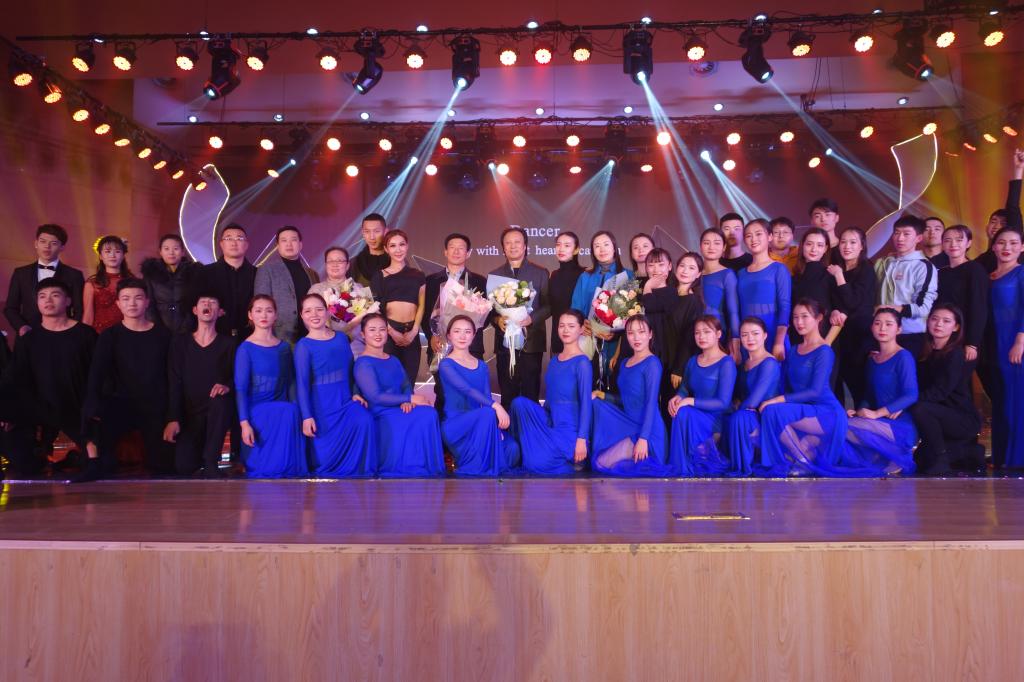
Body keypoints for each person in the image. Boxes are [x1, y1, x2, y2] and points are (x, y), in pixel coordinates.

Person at [0, 279, 96, 477]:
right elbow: (14, 377)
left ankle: (77, 456)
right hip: (39, 406)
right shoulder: (28, 339)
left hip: (77, 407)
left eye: (55, 295)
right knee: (24, 461)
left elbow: (98, 375)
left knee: (99, 462)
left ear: (68, 301)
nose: (48, 300)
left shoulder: (86, 335)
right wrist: (8, 412)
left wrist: (95, 407)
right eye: (42, 296)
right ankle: (39, 456)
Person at [80, 278, 172, 480]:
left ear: (147, 302)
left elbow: (172, 377)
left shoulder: (163, 335)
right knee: (106, 465)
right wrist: (93, 405)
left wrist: (172, 415)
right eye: (126, 299)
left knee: (164, 466)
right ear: (118, 304)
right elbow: (97, 374)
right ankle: (93, 462)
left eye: (138, 298)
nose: (132, 303)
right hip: (120, 403)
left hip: (155, 406)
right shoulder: (109, 336)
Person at [758, 299, 848, 476]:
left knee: (772, 411)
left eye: (805, 316)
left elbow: (815, 391)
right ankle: (802, 455)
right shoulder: (793, 350)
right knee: (770, 411)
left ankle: (801, 459)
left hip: (826, 412)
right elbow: (788, 385)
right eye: (795, 317)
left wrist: (777, 400)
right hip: (804, 408)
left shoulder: (824, 351)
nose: (799, 322)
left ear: (819, 318)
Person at [294, 293, 376, 477]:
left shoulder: (341, 338)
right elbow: (302, 384)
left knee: (364, 419)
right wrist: (307, 416)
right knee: (324, 460)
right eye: (308, 311)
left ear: (327, 312)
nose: (314, 314)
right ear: (302, 315)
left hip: (345, 400)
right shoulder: (303, 346)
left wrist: (355, 392)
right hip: (321, 406)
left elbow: (351, 370)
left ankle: (362, 472)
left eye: (319, 309)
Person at [353, 313, 444, 477]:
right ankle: (408, 467)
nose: (378, 334)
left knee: (429, 413)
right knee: (424, 415)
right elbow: (375, 397)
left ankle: (425, 467)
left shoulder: (393, 359)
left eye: (382, 329)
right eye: (372, 330)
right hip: (381, 411)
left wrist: (407, 399)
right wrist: (408, 398)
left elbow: (405, 385)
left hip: (400, 406)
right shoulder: (363, 363)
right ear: (363, 334)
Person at [511, 310, 593, 475]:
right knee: (519, 404)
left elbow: (586, 404)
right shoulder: (555, 361)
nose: (565, 330)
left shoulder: (582, 363)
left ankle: (569, 458)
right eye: (562, 326)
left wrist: (582, 440)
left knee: (535, 464)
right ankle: (522, 449)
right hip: (550, 421)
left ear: (581, 329)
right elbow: (549, 400)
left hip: (569, 430)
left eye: (571, 326)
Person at [234, 295, 307, 478]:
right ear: (250, 315)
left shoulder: (284, 348)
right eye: (258, 311)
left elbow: (291, 382)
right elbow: (241, 389)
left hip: (282, 407)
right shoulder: (245, 348)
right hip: (257, 410)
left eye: (269, 310)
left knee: (291, 411)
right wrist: (244, 423)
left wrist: (298, 409)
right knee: (286, 411)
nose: (264, 315)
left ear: (275, 315)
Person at [164, 293, 235, 477]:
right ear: (195, 310)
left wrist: (227, 386)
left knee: (222, 402)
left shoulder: (228, 344)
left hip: (215, 411)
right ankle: (199, 457)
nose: (207, 305)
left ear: (220, 312)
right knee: (184, 466)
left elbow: (236, 377)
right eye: (203, 302)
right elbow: (174, 381)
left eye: (213, 303)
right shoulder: (180, 343)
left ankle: (211, 461)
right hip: (190, 413)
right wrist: (173, 418)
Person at [841, 308, 919, 476]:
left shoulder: (903, 357)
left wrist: (877, 413)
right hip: (877, 421)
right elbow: (869, 396)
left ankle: (896, 455)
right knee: (841, 425)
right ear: (872, 327)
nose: (882, 328)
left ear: (899, 329)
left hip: (898, 424)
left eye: (888, 324)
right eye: (877, 323)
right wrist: (859, 411)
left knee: (840, 427)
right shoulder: (872, 359)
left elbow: (911, 394)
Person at [438, 316, 518, 476]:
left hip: (482, 421)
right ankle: (474, 465)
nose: (462, 336)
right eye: (457, 331)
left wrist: (494, 427)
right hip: (457, 424)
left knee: (512, 448)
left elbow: (486, 397)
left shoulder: (481, 366)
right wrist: (496, 407)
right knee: (487, 413)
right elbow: (466, 389)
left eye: (467, 332)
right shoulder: (446, 364)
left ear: (474, 335)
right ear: (449, 335)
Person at [590, 315, 669, 476]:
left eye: (641, 332)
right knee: (599, 461)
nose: (636, 338)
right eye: (631, 333)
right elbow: (627, 401)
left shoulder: (652, 363)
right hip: (628, 424)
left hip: (648, 432)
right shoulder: (625, 363)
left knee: (602, 464)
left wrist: (643, 439)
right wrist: (602, 395)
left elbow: (650, 403)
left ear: (650, 334)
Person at [911, 304, 983, 475]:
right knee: (920, 460)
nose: (939, 324)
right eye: (934, 319)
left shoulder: (955, 354)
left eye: (946, 321)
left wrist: (908, 401)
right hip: (937, 414)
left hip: (961, 418)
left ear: (956, 327)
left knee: (919, 408)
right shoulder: (923, 350)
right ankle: (969, 451)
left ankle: (942, 459)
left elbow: (940, 392)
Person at [422, 233, 487, 411]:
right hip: (439, 345)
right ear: (445, 251)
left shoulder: (479, 281)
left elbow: (485, 316)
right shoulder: (430, 281)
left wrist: (468, 334)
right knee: (443, 393)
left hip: (470, 347)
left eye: (461, 248)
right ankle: (443, 428)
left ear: (468, 253)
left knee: (471, 395)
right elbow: (424, 313)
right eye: (452, 247)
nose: (456, 251)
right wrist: (432, 336)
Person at [667, 315, 736, 476]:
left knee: (685, 412)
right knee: (680, 411)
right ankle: (682, 466)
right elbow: (685, 388)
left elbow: (723, 403)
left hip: (716, 419)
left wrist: (690, 401)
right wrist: (678, 397)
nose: (701, 336)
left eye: (706, 332)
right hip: (695, 414)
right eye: (697, 333)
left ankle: (685, 466)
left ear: (718, 334)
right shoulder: (693, 361)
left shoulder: (726, 363)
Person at [489, 227, 550, 408]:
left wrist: (532, 319)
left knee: (531, 393)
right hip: (505, 343)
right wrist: (497, 320)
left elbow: (548, 306)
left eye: (517, 242)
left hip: (531, 342)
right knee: (507, 393)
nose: (513, 246)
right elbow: (489, 311)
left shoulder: (540, 272)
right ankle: (508, 424)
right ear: (503, 248)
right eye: (508, 243)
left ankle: (531, 425)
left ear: (525, 246)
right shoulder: (495, 275)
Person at [571, 231, 633, 388]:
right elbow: (575, 308)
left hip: (617, 341)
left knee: (615, 384)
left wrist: (616, 331)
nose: (602, 249)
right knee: (588, 384)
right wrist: (582, 324)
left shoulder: (628, 275)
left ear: (614, 247)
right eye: (597, 246)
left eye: (606, 244)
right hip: (587, 337)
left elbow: (633, 313)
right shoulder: (585, 276)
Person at [985, 227, 1024, 469]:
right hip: (991, 347)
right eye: (1001, 242)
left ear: (1022, 247)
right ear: (993, 247)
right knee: (1000, 402)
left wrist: (1020, 341)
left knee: (1015, 401)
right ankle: (1002, 457)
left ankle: (1017, 458)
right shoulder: (988, 276)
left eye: (1013, 243)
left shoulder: (1021, 273)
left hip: (1014, 346)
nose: (1007, 247)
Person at [874, 214, 937, 358]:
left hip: (909, 333)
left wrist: (893, 309)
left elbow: (923, 307)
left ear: (918, 238)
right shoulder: (883, 263)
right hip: (881, 331)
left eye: (906, 234)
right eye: (896, 233)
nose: (900, 238)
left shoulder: (923, 266)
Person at [827, 227, 878, 405]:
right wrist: (834, 311)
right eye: (843, 242)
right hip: (839, 333)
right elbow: (832, 300)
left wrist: (839, 276)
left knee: (859, 384)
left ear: (862, 246)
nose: (847, 246)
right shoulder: (835, 269)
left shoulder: (866, 270)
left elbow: (853, 302)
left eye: (853, 242)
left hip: (859, 335)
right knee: (836, 379)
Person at [4, 224, 85, 335]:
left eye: (53, 243)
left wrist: (69, 330)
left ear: (62, 247)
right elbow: (11, 308)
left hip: (62, 334)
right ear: (36, 244)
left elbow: (79, 309)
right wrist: (22, 327)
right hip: (28, 334)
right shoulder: (21, 273)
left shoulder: (74, 275)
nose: (47, 246)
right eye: (43, 241)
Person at [725, 318, 781, 476]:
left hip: (765, 417)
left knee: (739, 417)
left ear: (765, 335)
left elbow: (754, 401)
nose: (750, 338)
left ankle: (744, 467)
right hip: (748, 412)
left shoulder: (769, 363)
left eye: (755, 334)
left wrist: (734, 408)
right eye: (744, 335)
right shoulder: (744, 364)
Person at [369, 229, 426, 384]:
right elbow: (375, 308)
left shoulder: (418, 274)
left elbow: (422, 304)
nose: (398, 249)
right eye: (393, 246)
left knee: (409, 380)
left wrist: (414, 331)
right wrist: (391, 331)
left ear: (407, 246)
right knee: (390, 381)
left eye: (401, 244)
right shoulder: (379, 275)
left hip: (411, 333)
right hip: (388, 333)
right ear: (386, 249)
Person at [254, 226, 320, 345]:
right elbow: (260, 304)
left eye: (293, 240)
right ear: (278, 246)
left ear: (300, 245)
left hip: (311, 333)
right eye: (284, 240)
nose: (289, 244)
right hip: (279, 334)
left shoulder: (312, 273)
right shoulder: (266, 270)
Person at [737, 219, 791, 360]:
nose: (753, 239)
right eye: (748, 236)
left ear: (770, 236)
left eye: (758, 234)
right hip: (748, 337)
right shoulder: (741, 273)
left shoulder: (779, 269)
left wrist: (779, 342)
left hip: (772, 334)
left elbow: (785, 307)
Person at [193, 223, 258, 341]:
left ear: (246, 244)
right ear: (221, 244)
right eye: (228, 239)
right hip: (214, 337)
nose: (234, 243)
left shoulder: (257, 274)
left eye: (239, 239)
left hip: (250, 338)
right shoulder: (205, 273)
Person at [936, 225, 988, 365]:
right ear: (942, 244)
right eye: (947, 240)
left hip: (966, 337)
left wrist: (972, 343)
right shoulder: (941, 273)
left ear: (968, 243)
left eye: (959, 240)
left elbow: (979, 308)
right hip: (943, 334)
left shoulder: (975, 270)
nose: (953, 244)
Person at [308, 246, 367, 354]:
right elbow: (308, 320)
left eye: (340, 261)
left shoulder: (358, 288)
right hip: (324, 345)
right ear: (326, 265)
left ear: (347, 265)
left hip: (355, 347)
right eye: (330, 261)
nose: (335, 264)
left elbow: (367, 321)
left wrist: (348, 336)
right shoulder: (316, 290)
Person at [140, 234, 200, 335]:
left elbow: (196, 302)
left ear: (182, 252)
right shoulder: (151, 273)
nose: (171, 252)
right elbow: (149, 304)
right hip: (159, 328)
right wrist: (155, 327)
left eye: (176, 249)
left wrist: (188, 326)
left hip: (188, 329)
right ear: (160, 252)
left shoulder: (194, 272)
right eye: (166, 249)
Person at [975, 150, 1023, 274]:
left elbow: (1012, 207)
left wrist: (1018, 170)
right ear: (986, 227)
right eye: (994, 221)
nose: (997, 226)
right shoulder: (979, 262)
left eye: (1003, 223)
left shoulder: (1017, 254)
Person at [699, 228, 741, 358]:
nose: (711, 247)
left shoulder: (727, 274)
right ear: (700, 246)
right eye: (707, 243)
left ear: (724, 247)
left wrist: (735, 340)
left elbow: (733, 312)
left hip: (717, 332)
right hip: (694, 332)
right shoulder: (694, 273)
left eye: (717, 243)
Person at [789, 227, 832, 345]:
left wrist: (827, 343)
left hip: (824, 338)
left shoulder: (831, 275)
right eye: (809, 244)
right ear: (802, 246)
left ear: (825, 249)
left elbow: (839, 313)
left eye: (819, 245)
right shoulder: (794, 278)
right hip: (797, 337)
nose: (814, 249)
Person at [83, 235, 134, 333]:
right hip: (99, 334)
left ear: (123, 255)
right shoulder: (92, 284)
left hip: (128, 333)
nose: (112, 255)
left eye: (117, 251)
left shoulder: (132, 281)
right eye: (107, 251)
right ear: (100, 256)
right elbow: (88, 316)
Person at [547, 232, 585, 355]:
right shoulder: (554, 275)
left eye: (567, 245)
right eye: (558, 245)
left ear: (576, 250)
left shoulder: (585, 274)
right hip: (558, 338)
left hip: (581, 339)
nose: (561, 249)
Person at [351, 213, 391, 286]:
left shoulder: (396, 260)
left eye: (376, 231)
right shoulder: (355, 262)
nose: (372, 237)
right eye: (367, 231)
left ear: (385, 231)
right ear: (362, 233)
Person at [808, 197, 842, 263]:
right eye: (817, 216)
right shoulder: (809, 250)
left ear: (837, 218)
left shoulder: (844, 248)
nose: (823, 219)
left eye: (827, 214)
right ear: (811, 221)